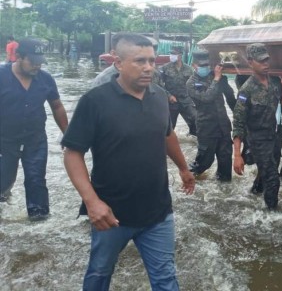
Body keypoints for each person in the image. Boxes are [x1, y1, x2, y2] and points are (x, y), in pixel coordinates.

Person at [61, 33, 195, 290]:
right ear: (118, 63)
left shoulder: (159, 96)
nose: (148, 68)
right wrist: (92, 202)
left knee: (166, 278)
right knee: (99, 274)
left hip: (158, 211)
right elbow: (72, 153)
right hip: (111, 214)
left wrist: (183, 168)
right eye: (139, 61)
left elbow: (167, 135)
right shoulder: (95, 101)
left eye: (152, 61)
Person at [0, 38, 68, 220]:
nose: (37, 66)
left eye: (40, 63)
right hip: (4, 140)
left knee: (36, 180)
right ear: (19, 57)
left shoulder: (45, 79)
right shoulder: (1, 76)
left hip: (35, 138)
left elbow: (57, 106)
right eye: (33, 62)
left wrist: (67, 134)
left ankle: (39, 219)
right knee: (4, 180)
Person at [232, 43, 282, 210]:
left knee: (267, 171)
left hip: (275, 135)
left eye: (267, 60)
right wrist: (237, 155)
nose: (266, 64)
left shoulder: (274, 82)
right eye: (261, 61)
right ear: (250, 62)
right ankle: (271, 214)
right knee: (273, 179)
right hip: (258, 140)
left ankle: (255, 192)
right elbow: (238, 122)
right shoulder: (247, 90)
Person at [186, 50, 236, 181]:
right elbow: (207, 98)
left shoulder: (220, 78)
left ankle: (224, 188)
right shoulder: (191, 83)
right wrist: (216, 79)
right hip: (206, 127)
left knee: (225, 161)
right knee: (204, 162)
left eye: (207, 65)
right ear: (194, 66)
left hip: (223, 126)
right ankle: (188, 178)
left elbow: (231, 98)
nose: (205, 68)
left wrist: (241, 115)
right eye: (201, 66)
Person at [161, 45, 197, 136]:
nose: (171, 56)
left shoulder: (189, 69)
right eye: (171, 53)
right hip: (172, 101)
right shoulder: (165, 68)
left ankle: (192, 141)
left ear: (180, 55)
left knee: (195, 120)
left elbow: (193, 85)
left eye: (174, 54)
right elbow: (160, 85)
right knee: (169, 126)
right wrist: (168, 96)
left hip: (186, 100)